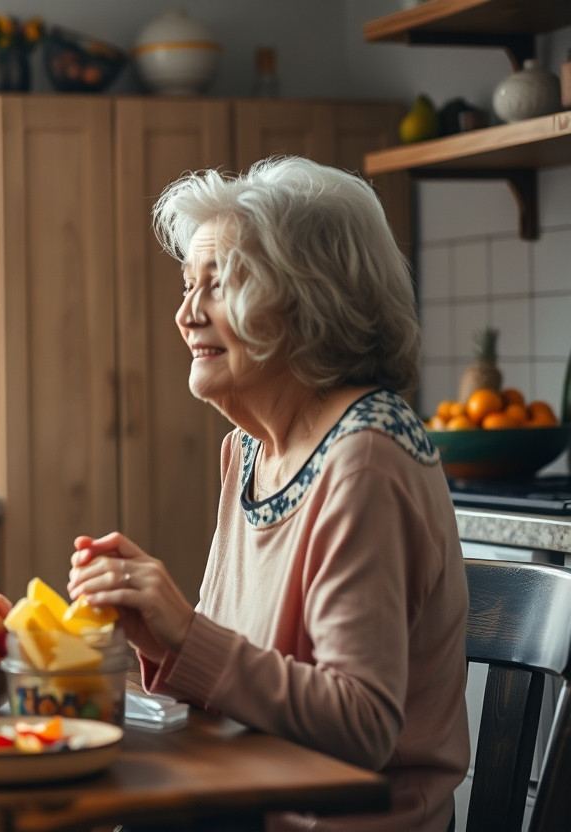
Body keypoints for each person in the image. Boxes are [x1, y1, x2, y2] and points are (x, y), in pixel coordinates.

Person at [67, 157, 468, 832]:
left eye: (218, 285)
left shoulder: (363, 461)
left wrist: (188, 630)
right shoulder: (251, 449)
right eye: (188, 286)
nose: (187, 314)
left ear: (311, 299)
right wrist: (164, 636)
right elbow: (251, 675)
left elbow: (362, 724)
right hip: (249, 798)